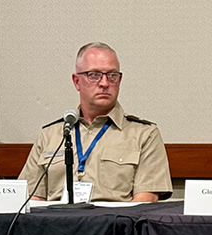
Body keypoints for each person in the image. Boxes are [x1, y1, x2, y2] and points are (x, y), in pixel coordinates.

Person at [18, 42, 172, 202]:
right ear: (76, 81)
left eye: (112, 75)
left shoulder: (144, 135)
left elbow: (145, 201)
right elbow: (31, 197)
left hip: (114, 225)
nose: (105, 83)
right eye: (94, 75)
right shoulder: (50, 135)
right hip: (56, 224)